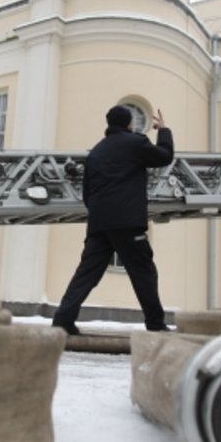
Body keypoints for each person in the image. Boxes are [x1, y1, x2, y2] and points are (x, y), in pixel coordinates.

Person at [51, 105, 174, 335]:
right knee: (143, 271)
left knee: (87, 274)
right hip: (127, 223)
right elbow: (164, 157)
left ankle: (63, 319)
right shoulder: (135, 143)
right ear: (129, 124)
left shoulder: (96, 152)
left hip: (99, 224)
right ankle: (156, 324)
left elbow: (87, 194)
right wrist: (164, 131)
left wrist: (102, 214)